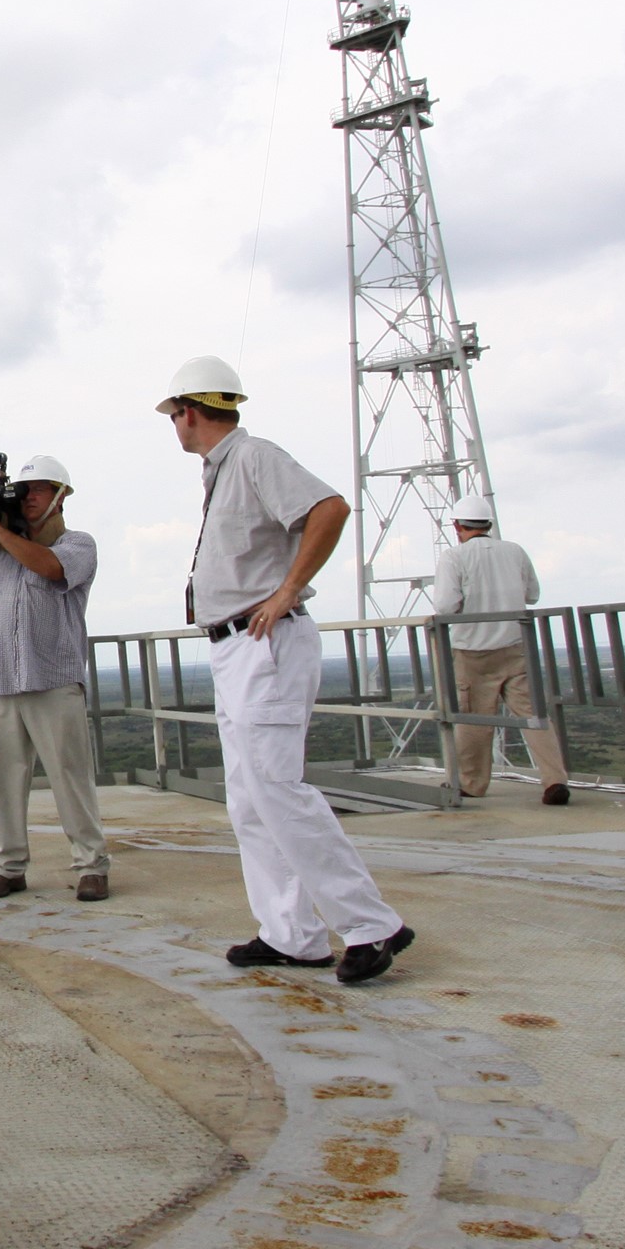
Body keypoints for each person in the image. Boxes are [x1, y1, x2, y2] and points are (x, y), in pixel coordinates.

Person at [158, 355, 417, 987]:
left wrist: (289, 588)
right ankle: (292, 935)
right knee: (250, 799)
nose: (175, 426)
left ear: (189, 412)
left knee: (276, 787)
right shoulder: (224, 470)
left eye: (175, 416)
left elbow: (329, 508)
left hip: (263, 640)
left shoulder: (253, 457)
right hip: (235, 646)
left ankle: (370, 924)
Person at [0, 454, 113, 902]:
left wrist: (0, 532)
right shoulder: (1, 552)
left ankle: (91, 865)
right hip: (1, 680)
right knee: (3, 780)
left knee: (70, 776)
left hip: (53, 679)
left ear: (62, 498)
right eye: (24, 491)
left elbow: (50, 568)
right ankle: (7, 867)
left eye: (40, 489)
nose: (28, 498)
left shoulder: (78, 544)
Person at [430, 491, 571, 806]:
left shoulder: (454, 557)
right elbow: (532, 594)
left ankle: (472, 784)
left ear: (457, 525)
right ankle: (554, 780)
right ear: (488, 523)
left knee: (474, 720)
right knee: (534, 716)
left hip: (472, 650)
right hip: (515, 646)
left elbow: (445, 606)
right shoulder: (515, 551)